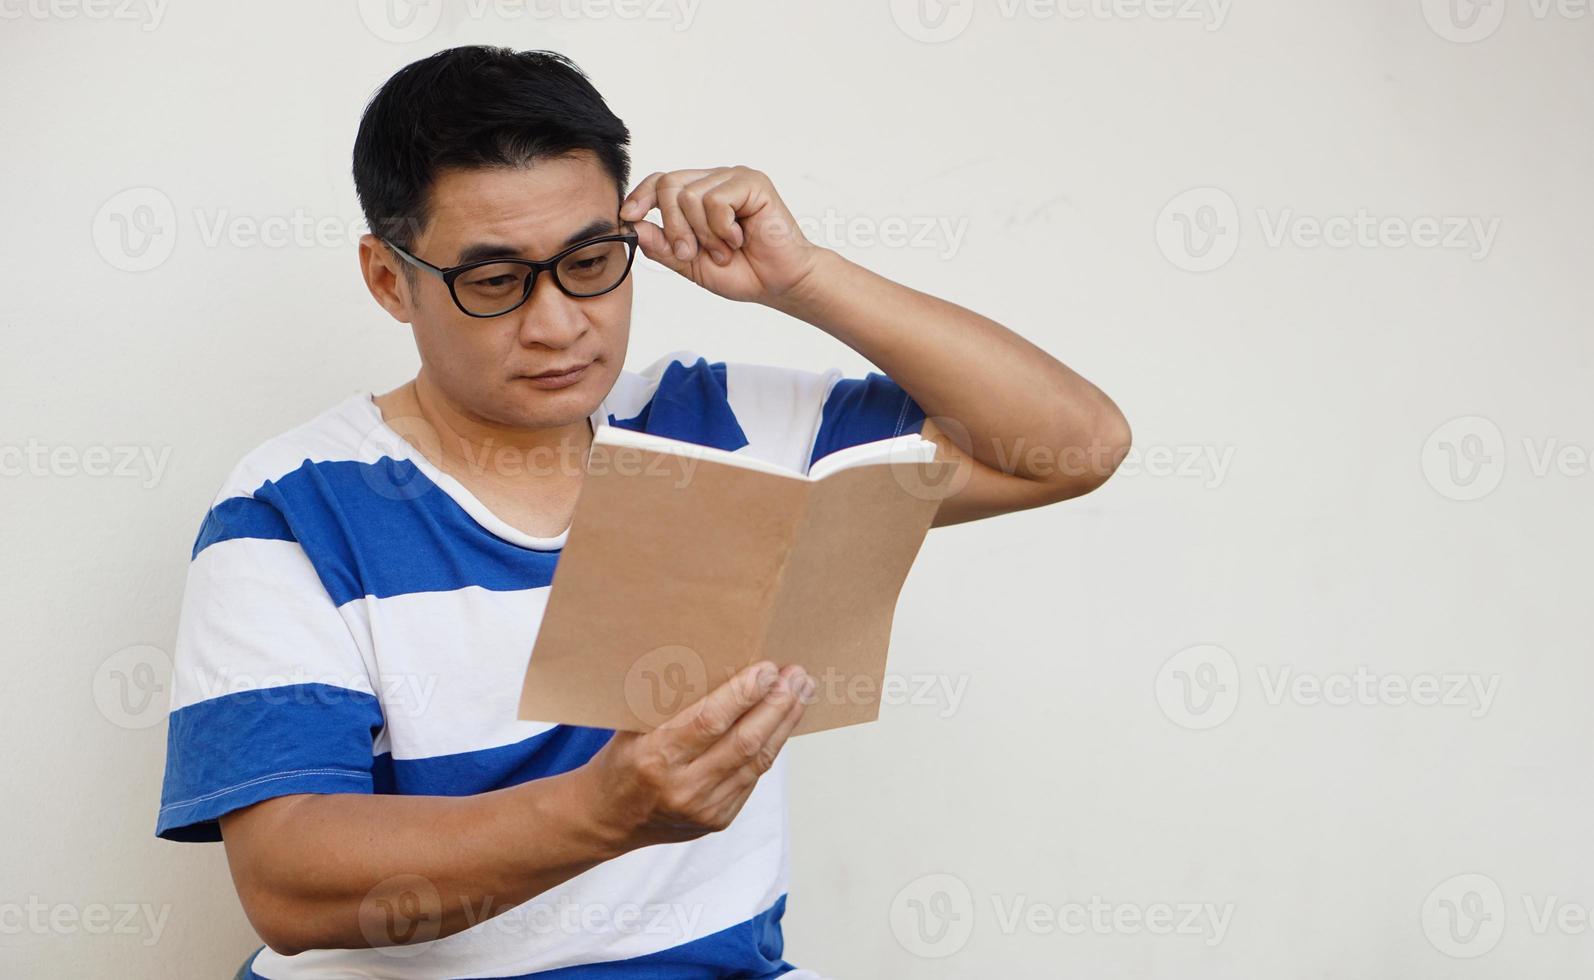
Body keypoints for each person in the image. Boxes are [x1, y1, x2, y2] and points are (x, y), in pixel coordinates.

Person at [157, 44, 1131, 979]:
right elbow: (287, 879)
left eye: (591, 260)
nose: (559, 322)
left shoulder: (718, 423)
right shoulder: (290, 508)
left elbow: (1073, 444)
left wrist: (804, 279)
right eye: (495, 280)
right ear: (388, 279)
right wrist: (604, 810)